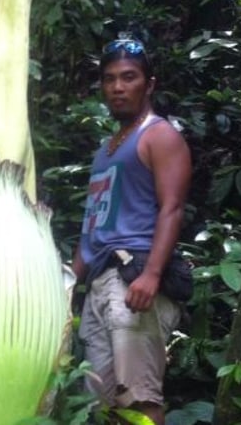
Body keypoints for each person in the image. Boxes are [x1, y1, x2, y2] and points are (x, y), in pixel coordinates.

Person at [72, 38, 192, 425]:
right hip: (99, 283)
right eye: (109, 79)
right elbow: (95, 222)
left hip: (134, 280)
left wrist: (153, 274)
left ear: (149, 84)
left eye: (129, 77)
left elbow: (172, 208)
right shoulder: (105, 150)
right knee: (100, 402)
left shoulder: (159, 136)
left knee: (138, 399)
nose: (118, 87)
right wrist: (69, 283)